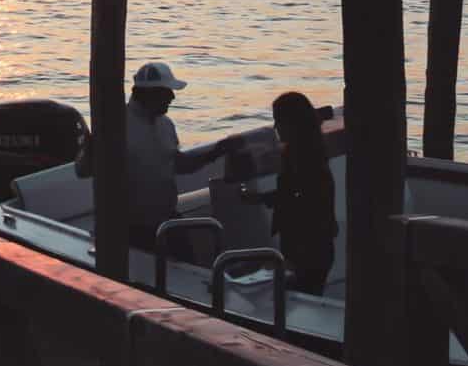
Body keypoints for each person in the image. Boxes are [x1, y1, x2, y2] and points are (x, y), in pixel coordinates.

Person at [77, 62, 236, 257]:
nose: (172, 97)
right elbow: (83, 171)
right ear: (149, 94)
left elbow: (179, 164)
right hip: (128, 229)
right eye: (167, 92)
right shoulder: (113, 125)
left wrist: (216, 152)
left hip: (167, 221)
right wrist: (91, 149)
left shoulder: (166, 124)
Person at [269, 90, 336, 293]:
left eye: (278, 120)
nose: (275, 127)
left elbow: (300, 199)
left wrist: (265, 198)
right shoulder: (311, 150)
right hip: (316, 245)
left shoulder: (302, 156)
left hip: (307, 247)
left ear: (291, 123)